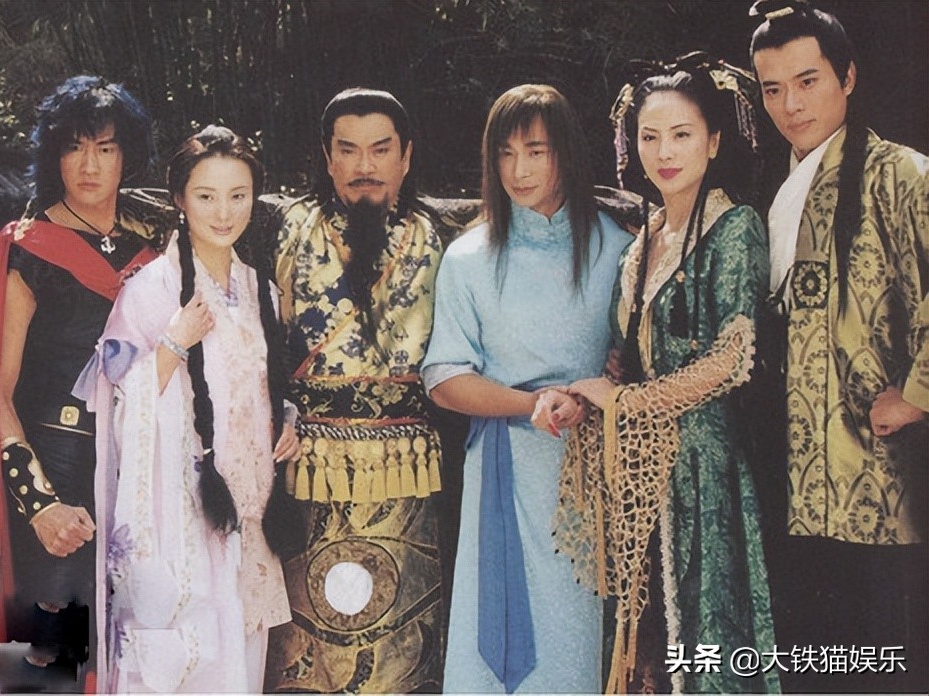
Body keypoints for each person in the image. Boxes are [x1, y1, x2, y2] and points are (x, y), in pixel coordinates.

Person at [555, 54, 779, 693]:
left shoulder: (735, 227)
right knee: (644, 641)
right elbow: (625, 358)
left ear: (714, 140)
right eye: (649, 136)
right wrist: (592, 392)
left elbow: (731, 359)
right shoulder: (643, 239)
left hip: (704, 464)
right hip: (642, 469)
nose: (664, 152)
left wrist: (625, 401)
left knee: (702, 633)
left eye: (682, 134)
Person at [0, 75, 165, 691]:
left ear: (128, 155)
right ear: (54, 155)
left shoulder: (154, 252)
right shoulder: (27, 249)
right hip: (58, 472)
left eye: (105, 147)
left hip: (138, 473)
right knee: (53, 668)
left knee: (137, 656)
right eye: (74, 147)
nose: (90, 165)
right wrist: (39, 504)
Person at [74, 124, 300, 692]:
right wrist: (173, 344)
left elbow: (264, 384)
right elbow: (115, 405)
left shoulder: (261, 290)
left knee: (242, 662)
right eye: (206, 195)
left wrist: (287, 422)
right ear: (179, 198)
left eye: (238, 195)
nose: (223, 212)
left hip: (249, 504)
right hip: (185, 509)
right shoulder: (150, 289)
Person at [422, 84, 630, 693]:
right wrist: (532, 403)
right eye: (506, 153)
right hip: (504, 468)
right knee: (496, 640)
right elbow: (444, 377)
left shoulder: (619, 250)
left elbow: (638, 361)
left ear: (566, 151)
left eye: (536, 151)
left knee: (577, 631)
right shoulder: (468, 257)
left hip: (593, 473)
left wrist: (599, 387)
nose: (519, 170)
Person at [748, 1, 928, 691]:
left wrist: (915, 396)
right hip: (792, 481)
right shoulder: (779, 190)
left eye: (808, 81)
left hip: (879, 481)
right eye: (772, 89)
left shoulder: (900, 174)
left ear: (847, 77)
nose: (790, 105)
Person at [263, 88, 446, 693]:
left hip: (406, 467)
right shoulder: (288, 228)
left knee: (400, 634)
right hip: (306, 464)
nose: (364, 165)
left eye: (380, 149)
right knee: (308, 636)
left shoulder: (437, 237)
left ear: (407, 157)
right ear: (327, 157)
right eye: (348, 150)